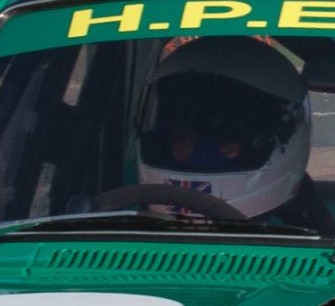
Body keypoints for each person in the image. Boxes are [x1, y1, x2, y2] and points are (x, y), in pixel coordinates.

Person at [134, 39, 313, 220]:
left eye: (225, 134)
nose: (192, 145)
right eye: (180, 132)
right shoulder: (123, 219)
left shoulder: (313, 226)